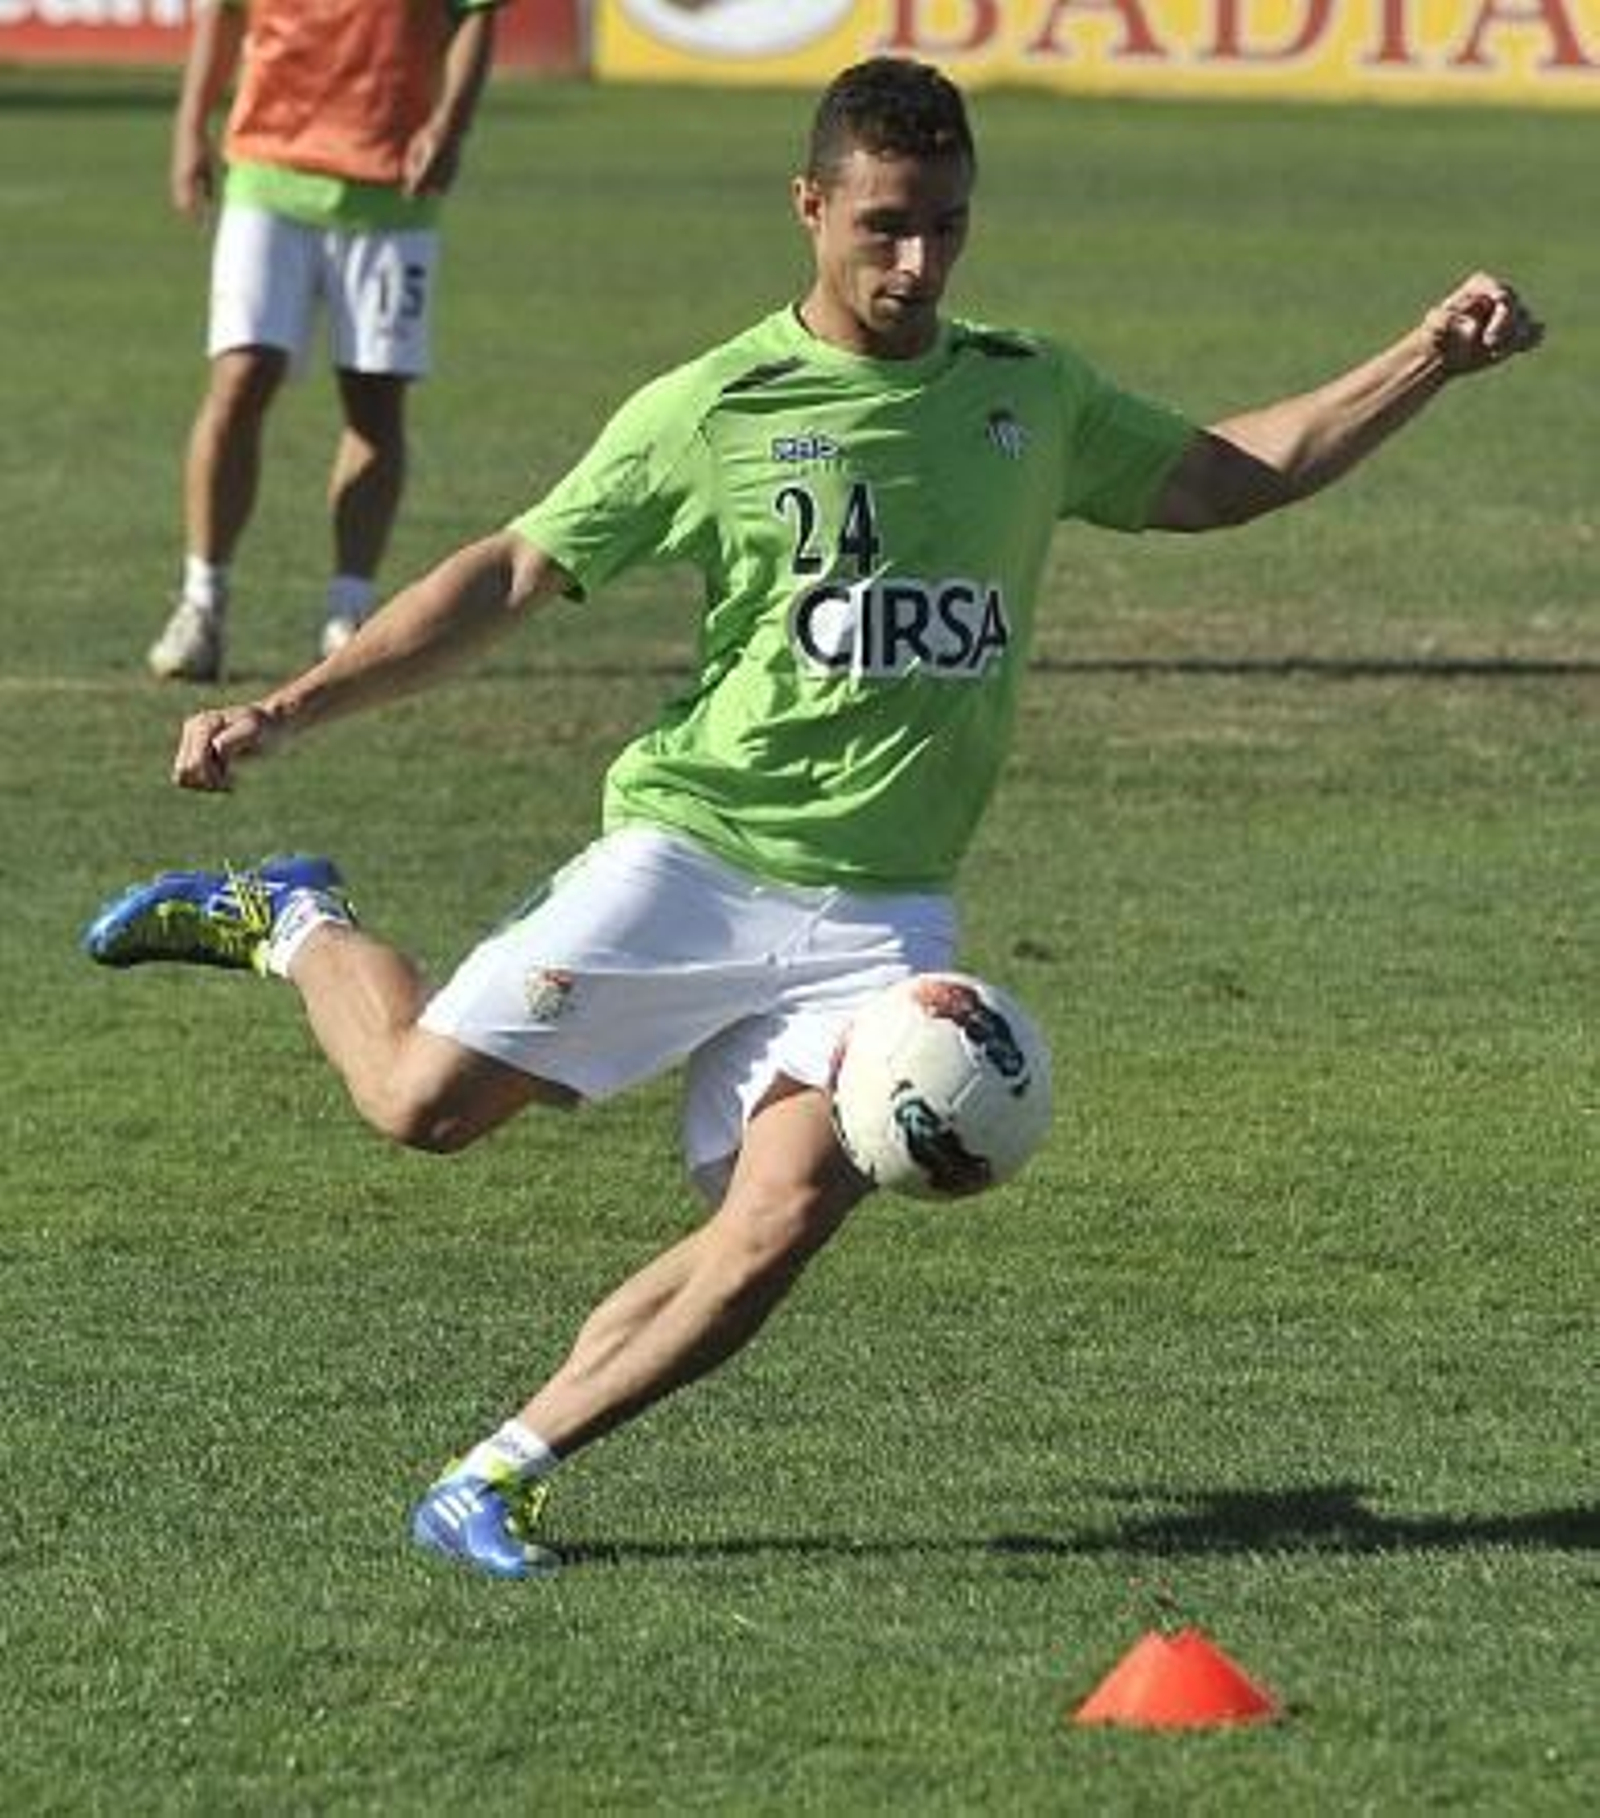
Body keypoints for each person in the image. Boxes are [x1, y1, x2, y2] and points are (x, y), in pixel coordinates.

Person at [86, 58, 1543, 1579]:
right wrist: (292, 706)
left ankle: (498, 1472)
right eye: (886, 227)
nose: (917, 264)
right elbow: (513, 572)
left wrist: (1426, 359)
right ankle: (298, 918)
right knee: (417, 1109)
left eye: (947, 229)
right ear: (812, 207)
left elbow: (1230, 476)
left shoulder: (1022, 392)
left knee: (775, 1224)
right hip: (695, 855)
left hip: (884, 912)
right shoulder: (717, 406)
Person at [146, 0, 505, 684]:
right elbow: (223, 17)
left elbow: (477, 16)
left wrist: (449, 126)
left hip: (392, 187)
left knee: (373, 405)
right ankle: (201, 604)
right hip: (267, 171)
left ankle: (349, 613)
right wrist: (189, 126)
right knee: (239, 380)